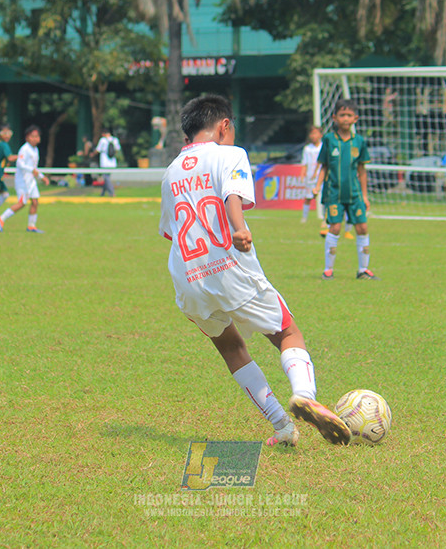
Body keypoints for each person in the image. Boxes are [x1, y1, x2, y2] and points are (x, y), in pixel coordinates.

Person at [159, 93, 350, 447]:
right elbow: (233, 193)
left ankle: (282, 426)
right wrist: (238, 227)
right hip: (227, 267)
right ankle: (304, 395)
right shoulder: (230, 153)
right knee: (288, 333)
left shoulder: (170, 171)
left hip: (186, 278)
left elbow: (170, 231)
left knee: (231, 347)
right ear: (224, 126)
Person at [312, 100, 377, 280]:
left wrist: (364, 195)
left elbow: (362, 170)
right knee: (335, 227)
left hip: (355, 194)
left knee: (362, 227)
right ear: (335, 118)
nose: (345, 118)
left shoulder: (359, 141)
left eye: (349, 115)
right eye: (342, 115)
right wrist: (317, 185)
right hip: (334, 193)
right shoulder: (329, 140)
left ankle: (363, 270)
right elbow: (324, 166)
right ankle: (328, 270)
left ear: (355, 118)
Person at [0, 125, 50, 233]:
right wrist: (32, 170)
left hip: (31, 181)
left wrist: (42, 177)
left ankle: (31, 226)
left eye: (37, 136)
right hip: (23, 181)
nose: (35, 138)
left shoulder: (35, 150)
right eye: (32, 136)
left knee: (35, 201)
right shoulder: (24, 149)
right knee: (22, 203)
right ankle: (1, 218)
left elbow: (34, 168)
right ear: (27, 137)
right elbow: (20, 164)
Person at [300, 125, 323, 225]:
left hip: (321, 176)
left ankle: (325, 218)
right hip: (310, 177)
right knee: (308, 197)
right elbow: (304, 163)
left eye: (315, 133)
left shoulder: (323, 147)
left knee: (324, 198)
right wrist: (302, 174)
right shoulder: (307, 149)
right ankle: (304, 217)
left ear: (320, 135)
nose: (313, 136)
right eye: (312, 133)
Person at [93, 130, 121, 197]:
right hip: (112, 162)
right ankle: (102, 193)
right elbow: (117, 149)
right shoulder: (115, 140)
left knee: (106, 178)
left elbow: (98, 150)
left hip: (104, 162)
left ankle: (112, 193)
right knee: (107, 177)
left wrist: (92, 154)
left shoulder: (103, 140)